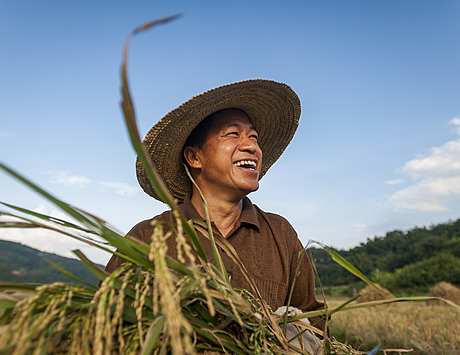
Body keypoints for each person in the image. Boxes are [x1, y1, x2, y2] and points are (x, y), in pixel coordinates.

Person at [105, 79, 328, 333]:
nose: (252, 146)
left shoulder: (280, 234)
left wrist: (291, 335)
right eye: (233, 134)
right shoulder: (149, 237)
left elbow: (315, 318)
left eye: (253, 137)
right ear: (194, 157)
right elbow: (107, 323)